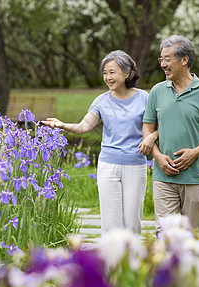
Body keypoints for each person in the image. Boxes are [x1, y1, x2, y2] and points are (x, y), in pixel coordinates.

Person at [42, 50, 157, 235]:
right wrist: (62, 125)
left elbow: (162, 124)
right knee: (111, 224)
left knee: (132, 223)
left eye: (112, 72)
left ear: (127, 73)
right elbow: (84, 126)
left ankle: (131, 263)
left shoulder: (145, 98)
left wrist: (152, 137)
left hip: (135, 165)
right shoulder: (102, 101)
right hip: (108, 166)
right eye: (105, 73)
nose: (107, 77)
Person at [140, 35, 199, 237]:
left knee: (193, 234)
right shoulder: (157, 91)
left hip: (195, 176)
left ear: (184, 59)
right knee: (164, 233)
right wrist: (158, 157)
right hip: (163, 175)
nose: (163, 64)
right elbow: (147, 128)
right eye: (161, 59)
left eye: (168, 59)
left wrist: (194, 153)